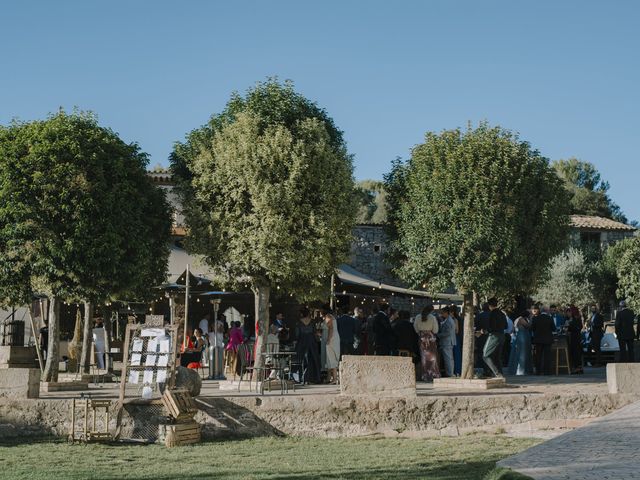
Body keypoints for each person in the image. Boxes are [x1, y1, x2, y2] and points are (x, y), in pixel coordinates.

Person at [295, 306, 320, 384]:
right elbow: (315, 332)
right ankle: (313, 378)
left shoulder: (298, 323)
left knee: (300, 360)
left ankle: (301, 378)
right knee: (313, 359)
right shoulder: (312, 322)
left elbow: (297, 334)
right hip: (311, 341)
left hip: (302, 341)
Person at [482, 298, 507, 378]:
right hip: (502, 335)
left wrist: (484, 331)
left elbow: (492, 327)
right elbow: (506, 326)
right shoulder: (502, 314)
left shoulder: (492, 314)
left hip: (494, 336)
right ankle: (501, 374)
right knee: (497, 357)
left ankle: (497, 373)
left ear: (489, 305)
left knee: (485, 355)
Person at [414, 305, 440, 381]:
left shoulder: (418, 317)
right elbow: (435, 330)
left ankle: (425, 375)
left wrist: (420, 332)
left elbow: (415, 328)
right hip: (430, 337)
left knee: (424, 357)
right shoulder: (432, 317)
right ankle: (433, 373)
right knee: (433, 357)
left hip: (422, 337)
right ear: (431, 311)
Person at [530, 304, 555, 375]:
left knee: (538, 356)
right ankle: (547, 371)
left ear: (541, 311)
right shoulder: (550, 318)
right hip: (548, 340)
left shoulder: (535, 318)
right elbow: (554, 328)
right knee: (547, 356)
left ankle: (538, 371)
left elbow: (532, 328)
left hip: (538, 340)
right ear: (547, 311)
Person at [508, 310, 533, 375]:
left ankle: (515, 369)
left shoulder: (517, 319)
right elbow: (528, 326)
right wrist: (531, 319)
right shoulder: (521, 319)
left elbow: (512, 330)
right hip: (522, 336)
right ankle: (521, 370)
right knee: (522, 353)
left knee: (517, 352)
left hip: (519, 336)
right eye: (529, 314)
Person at [321, 304, 340, 384]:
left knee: (331, 357)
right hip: (332, 337)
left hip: (331, 338)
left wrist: (328, 340)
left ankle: (335, 378)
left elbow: (331, 329)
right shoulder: (330, 316)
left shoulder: (328, 316)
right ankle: (330, 378)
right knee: (329, 358)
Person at [438, 306, 456, 377]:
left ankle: (450, 373)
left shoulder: (448, 321)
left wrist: (438, 335)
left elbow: (447, 333)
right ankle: (450, 372)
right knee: (449, 358)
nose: (441, 314)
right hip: (448, 342)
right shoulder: (448, 320)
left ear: (446, 313)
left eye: (442, 313)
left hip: (447, 342)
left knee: (448, 359)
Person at [566, 306, 584, 374]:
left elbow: (578, 327)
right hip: (573, 338)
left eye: (569, 312)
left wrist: (569, 325)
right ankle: (576, 367)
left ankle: (578, 368)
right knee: (574, 353)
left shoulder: (576, 319)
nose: (568, 314)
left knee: (577, 353)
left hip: (576, 338)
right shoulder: (570, 319)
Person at [475, 303, 491, 375]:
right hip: (490, 336)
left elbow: (475, 325)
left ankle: (482, 368)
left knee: (481, 352)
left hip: (480, 336)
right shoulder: (492, 315)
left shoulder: (479, 316)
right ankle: (489, 369)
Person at [451, 305, 463, 376]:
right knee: (457, 354)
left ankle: (457, 370)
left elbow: (456, 331)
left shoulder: (455, 319)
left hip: (455, 337)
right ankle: (458, 370)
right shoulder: (459, 318)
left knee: (456, 354)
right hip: (458, 337)